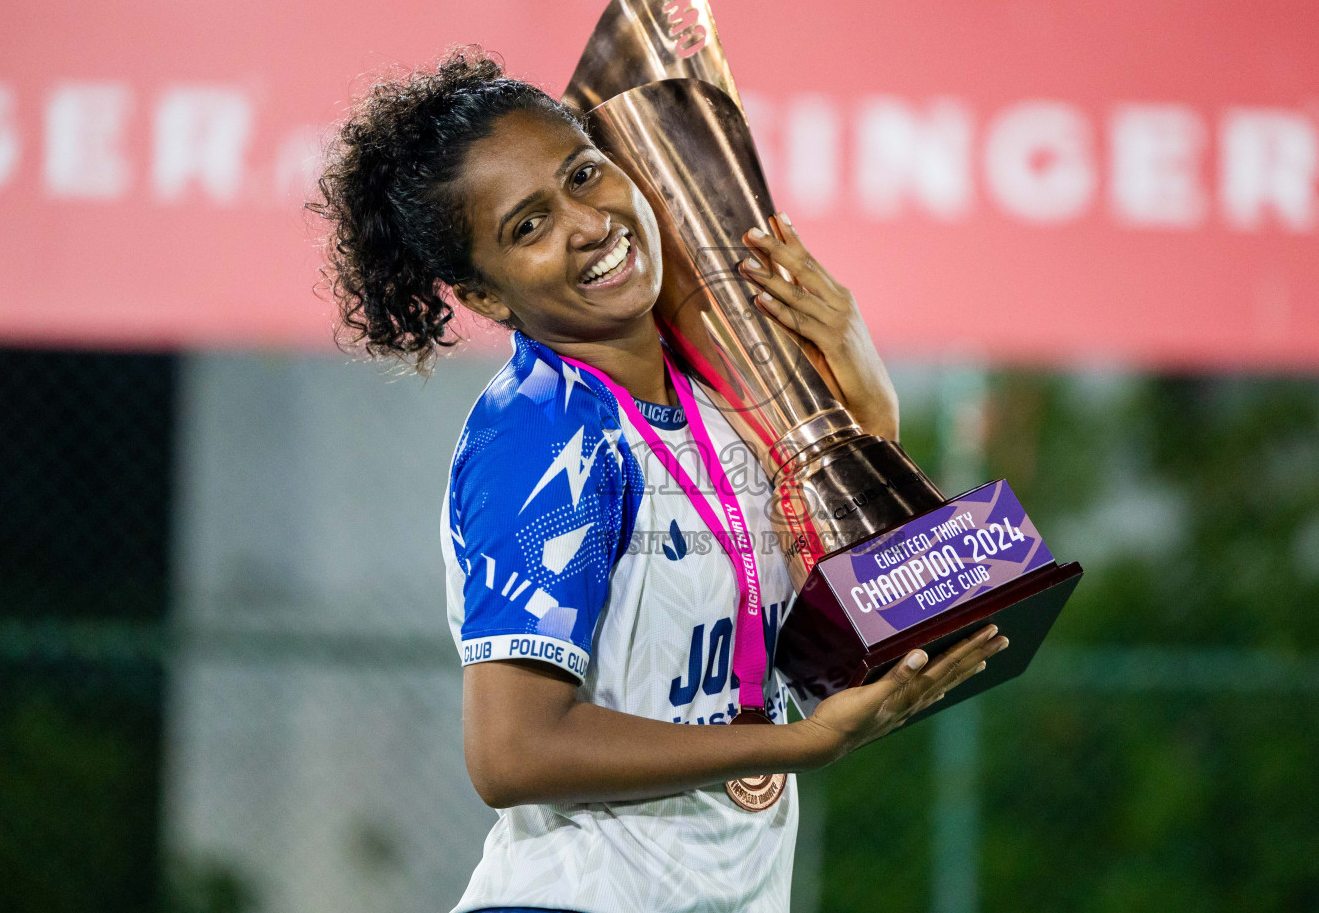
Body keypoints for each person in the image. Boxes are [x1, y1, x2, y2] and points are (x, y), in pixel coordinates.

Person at [312, 48, 1009, 913]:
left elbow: (837, 617)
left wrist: (870, 406)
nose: (586, 222)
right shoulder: (540, 431)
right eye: (527, 227)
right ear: (484, 297)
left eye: (583, 174)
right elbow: (512, 753)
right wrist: (798, 747)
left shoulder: (717, 402)